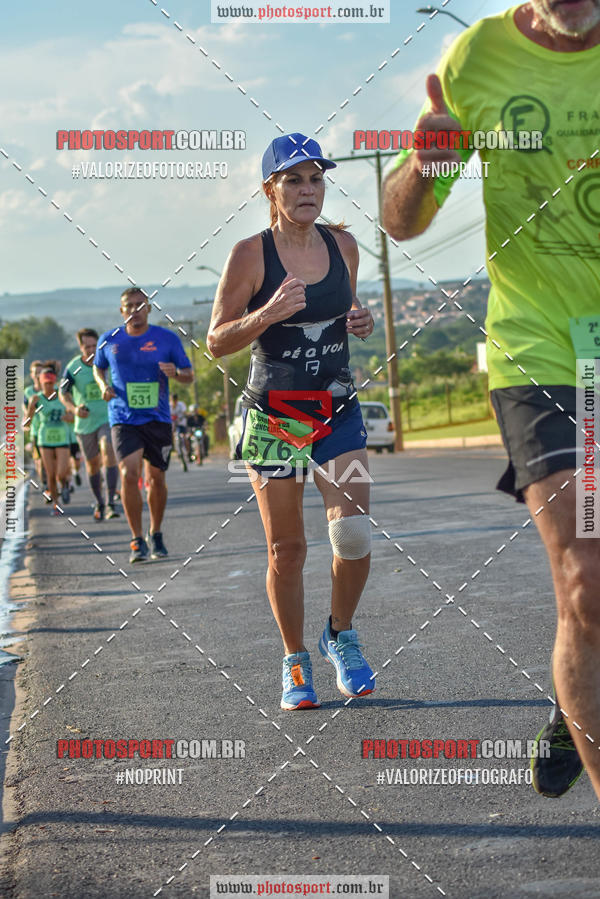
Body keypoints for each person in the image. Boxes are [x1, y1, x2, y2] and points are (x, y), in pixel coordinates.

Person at [382, 1, 600, 800]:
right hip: (538, 342)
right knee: (585, 573)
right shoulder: (476, 60)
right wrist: (427, 161)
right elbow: (401, 221)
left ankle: (578, 688)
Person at [207, 133, 376, 711]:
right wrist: (269, 312)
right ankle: (294, 660)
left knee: (352, 534)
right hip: (275, 414)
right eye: (294, 180)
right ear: (269, 190)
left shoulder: (345, 245)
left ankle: (341, 633)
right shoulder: (250, 255)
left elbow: (348, 308)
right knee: (288, 548)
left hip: (336, 406)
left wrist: (361, 320)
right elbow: (216, 342)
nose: (308, 190)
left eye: (316, 179)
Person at [93, 288, 193, 562]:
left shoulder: (166, 338)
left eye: (140, 305)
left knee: (156, 479)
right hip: (123, 418)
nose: (135, 310)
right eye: (129, 306)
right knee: (128, 472)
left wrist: (177, 373)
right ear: (121, 310)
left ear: (149, 308)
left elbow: (189, 375)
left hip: (157, 418)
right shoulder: (109, 340)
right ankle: (137, 539)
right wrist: (103, 385)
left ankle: (155, 532)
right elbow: (97, 366)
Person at [60, 328, 121, 521]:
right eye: (87, 347)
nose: (92, 350)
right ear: (80, 347)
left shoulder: (107, 362)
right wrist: (74, 408)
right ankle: (99, 502)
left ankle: (111, 502)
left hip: (108, 418)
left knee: (108, 450)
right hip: (85, 423)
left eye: (95, 346)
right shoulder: (73, 367)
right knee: (93, 465)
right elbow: (63, 393)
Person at [26, 363, 73, 515]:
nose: (48, 386)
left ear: (54, 382)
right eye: (45, 383)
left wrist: (68, 416)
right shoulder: (36, 398)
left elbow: (73, 416)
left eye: (51, 383)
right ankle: (56, 504)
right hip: (45, 439)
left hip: (62, 438)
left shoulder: (62, 396)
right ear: (40, 382)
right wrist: (31, 408)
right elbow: (28, 422)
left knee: (61, 473)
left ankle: (65, 485)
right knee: (51, 475)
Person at [23, 360, 45, 488]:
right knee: (40, 462)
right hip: (36, 430)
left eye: (40, 372)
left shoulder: (51, 388)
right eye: (35, 373)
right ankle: (45, 484)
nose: (37, 375)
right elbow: (26, 415)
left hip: (55, 430)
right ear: (31, 375)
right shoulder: (28, 392)